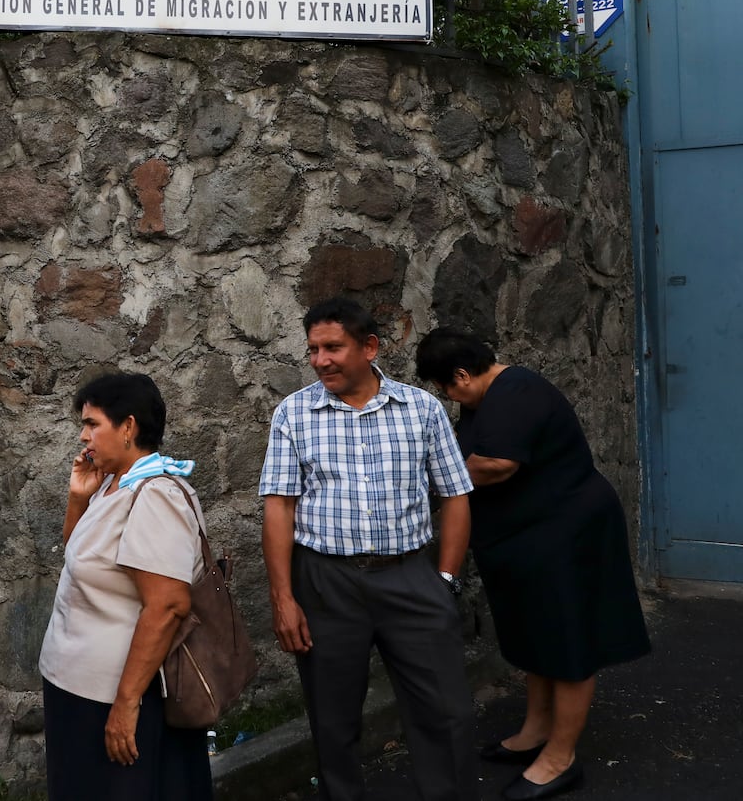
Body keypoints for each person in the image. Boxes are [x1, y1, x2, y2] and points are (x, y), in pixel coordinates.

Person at [415, 329, 650, 801]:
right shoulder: (483, 399)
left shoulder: (517, 392)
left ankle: (560, 758)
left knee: (567, 641)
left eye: (447, 387)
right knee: (534, 633)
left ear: (462, 374)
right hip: (524, 538)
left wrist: (431, 478)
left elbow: (498, 463)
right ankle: (536, 730)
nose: (448, 397)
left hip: (565, 533)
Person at [260, 298, 479, 801]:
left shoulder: (421, 409)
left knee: (446, 713)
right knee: (333, 722)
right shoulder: (294, 413)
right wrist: (283, 598)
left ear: (370, 347)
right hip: (326, 584)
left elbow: (455, 494)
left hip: (410, 577)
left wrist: (445, 579)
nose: (321, 360)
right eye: (313, 349)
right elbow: (279, 508)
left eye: (333, 347)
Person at [40, 372, 214, 801]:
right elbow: (83, 559)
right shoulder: (114, 484)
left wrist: (126, 704)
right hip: (78, 688)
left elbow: (168, 605)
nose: (83, 436)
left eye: (92, 424)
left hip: (114, 694)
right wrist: (79, 498)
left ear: (129, 427)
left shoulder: (156, 497)